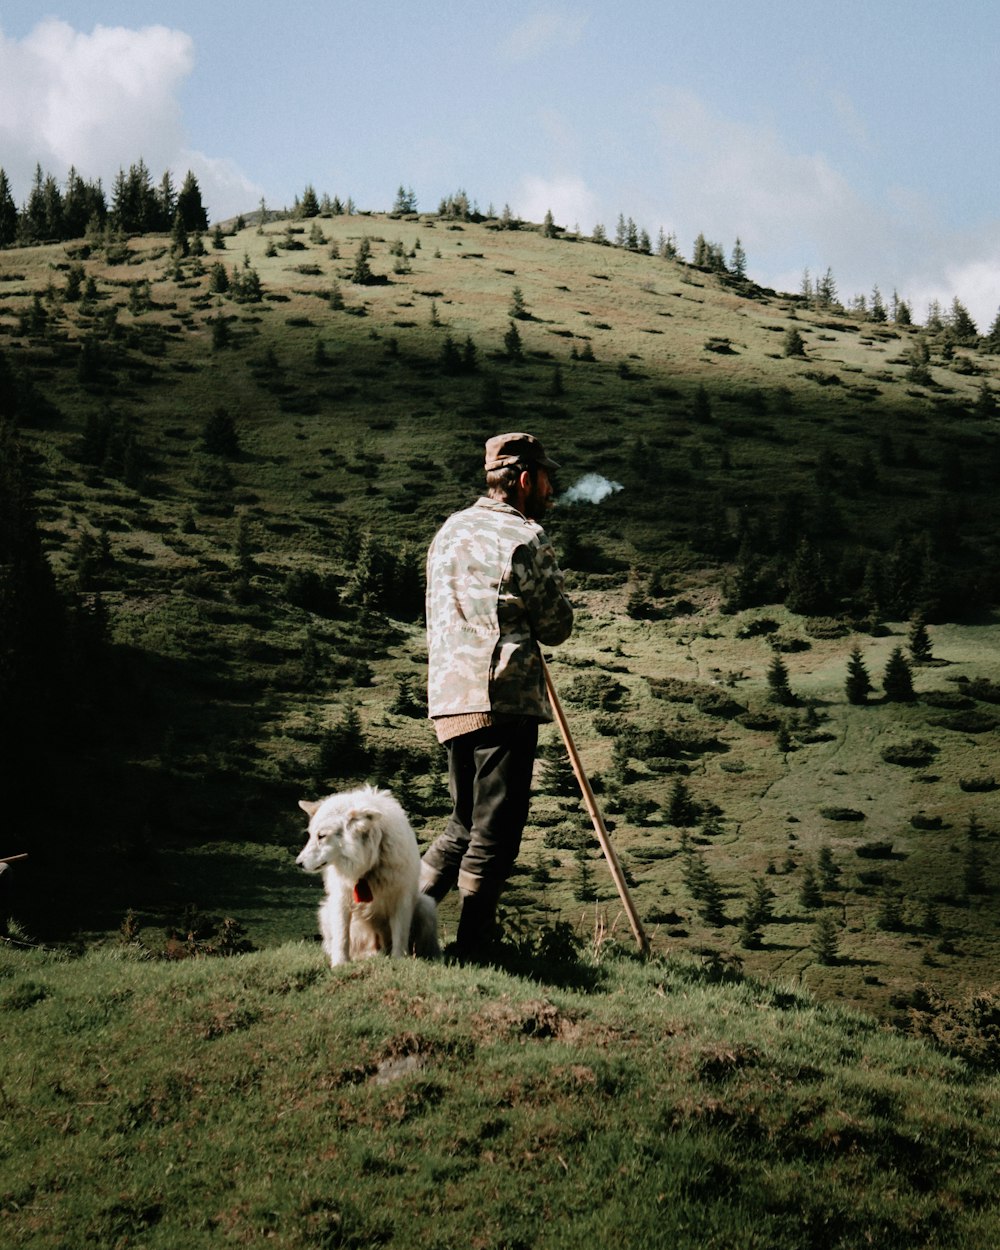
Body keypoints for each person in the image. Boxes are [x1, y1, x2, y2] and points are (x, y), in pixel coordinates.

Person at [420, 432, 574, 959]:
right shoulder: (524, 536)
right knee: (496, 830)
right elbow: (555, 626)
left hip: (448, 694)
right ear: (525, 479)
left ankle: (396, 922)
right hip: (501, 695)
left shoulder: (448, 531)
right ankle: (473, 948)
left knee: (463, 822)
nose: (551, 490)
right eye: (546, 479)